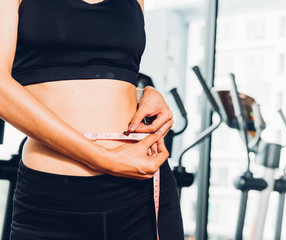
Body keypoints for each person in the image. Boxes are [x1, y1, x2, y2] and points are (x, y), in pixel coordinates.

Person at [0, 0, 184, 239]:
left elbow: (106, 73)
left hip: (141, 192)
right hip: (53, 198)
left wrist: (144, 92)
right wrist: (104, 158)